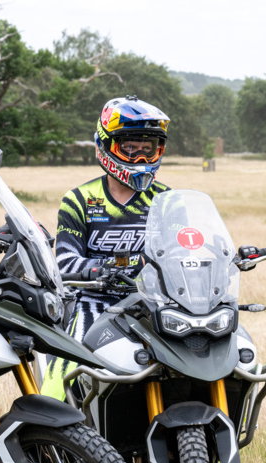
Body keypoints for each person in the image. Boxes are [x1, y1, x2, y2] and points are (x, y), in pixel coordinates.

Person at [41, 95, 171, 401]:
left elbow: (184, 249)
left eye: (147, 148)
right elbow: (64, 261)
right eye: (130, 148)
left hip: (153, 302)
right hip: (93, 301)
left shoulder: (166, 199)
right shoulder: (80, 199)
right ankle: (42, 433)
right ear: (106, 146)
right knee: (64, 366)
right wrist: (102, 267)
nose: (140, 158)